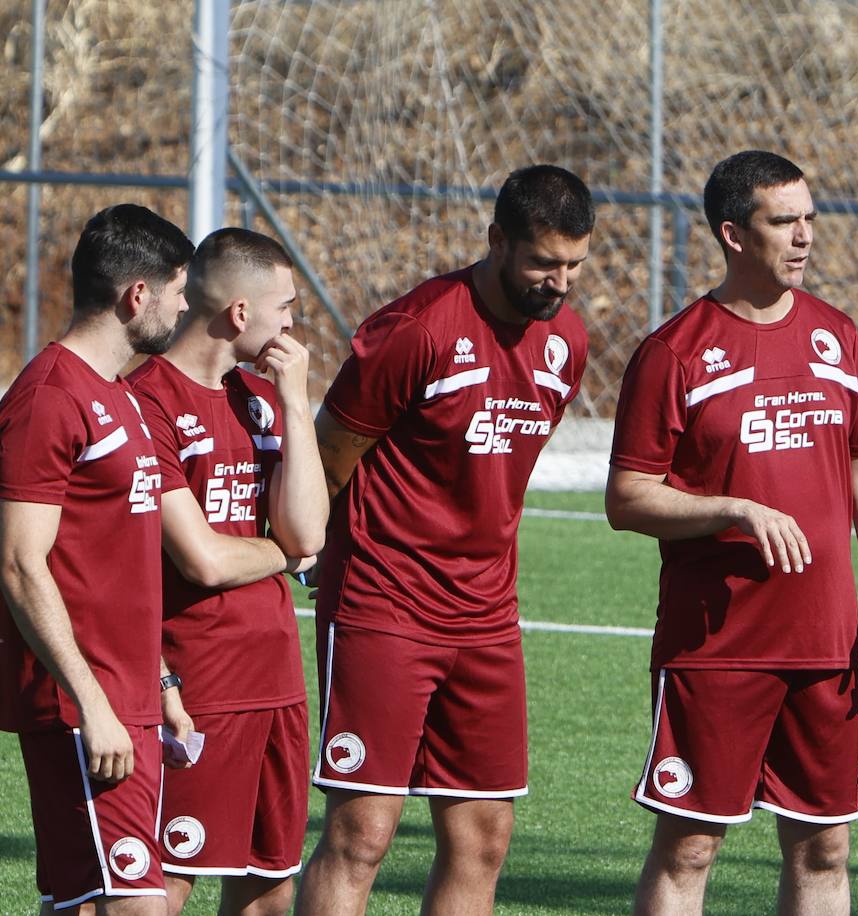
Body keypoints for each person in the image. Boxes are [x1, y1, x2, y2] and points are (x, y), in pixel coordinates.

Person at [605, 150, 858, 916]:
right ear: (734, 235)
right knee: (690, 844)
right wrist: (733, 508)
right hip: (716, 645)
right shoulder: (673, 353)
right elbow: (627, 498)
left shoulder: (837, 338)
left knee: (824, 845)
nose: (805, 237)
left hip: (824, 641)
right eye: (785, 222)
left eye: (810, 219)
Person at [294, 164, 596, 916]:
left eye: (574, 266)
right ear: (496, 241)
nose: (558, 283)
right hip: (383, 602)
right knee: (363, 830)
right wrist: (312, 549)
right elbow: (331, 452)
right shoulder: (418, 328)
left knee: (485, 834)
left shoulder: (569, 342)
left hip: (488, 613)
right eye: (542, 263)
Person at [0, 203, 195, 914]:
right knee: (136, 903)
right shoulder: (49, 397)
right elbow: (21, 563)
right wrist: (92, 700)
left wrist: (160, 681)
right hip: (81, 703)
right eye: (178, 290)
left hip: (129, 697)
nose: (185, 305)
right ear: (138, 296)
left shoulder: (123, 399)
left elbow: (122, 565)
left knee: (90, 901)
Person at [126, 228, 328, 916]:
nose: (294, 326)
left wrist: (297, 402)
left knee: (270, 889)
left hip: (276, 683)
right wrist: (283, 556)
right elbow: (203, 559)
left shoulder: (263, 399)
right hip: (197, 683)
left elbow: (309, 530)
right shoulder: (146, 400)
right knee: (165, 884)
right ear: (241, 314)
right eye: (286, 309)